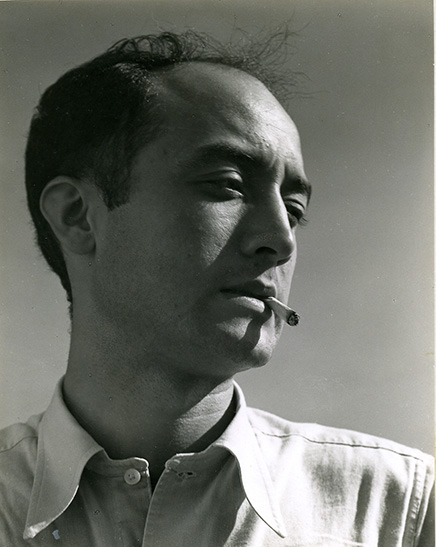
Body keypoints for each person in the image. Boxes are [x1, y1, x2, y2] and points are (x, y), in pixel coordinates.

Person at [0, 30, 433, 547]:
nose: (281, 241)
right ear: (77, 217)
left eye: (294, 210)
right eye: (227, 185)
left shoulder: (402, 509)